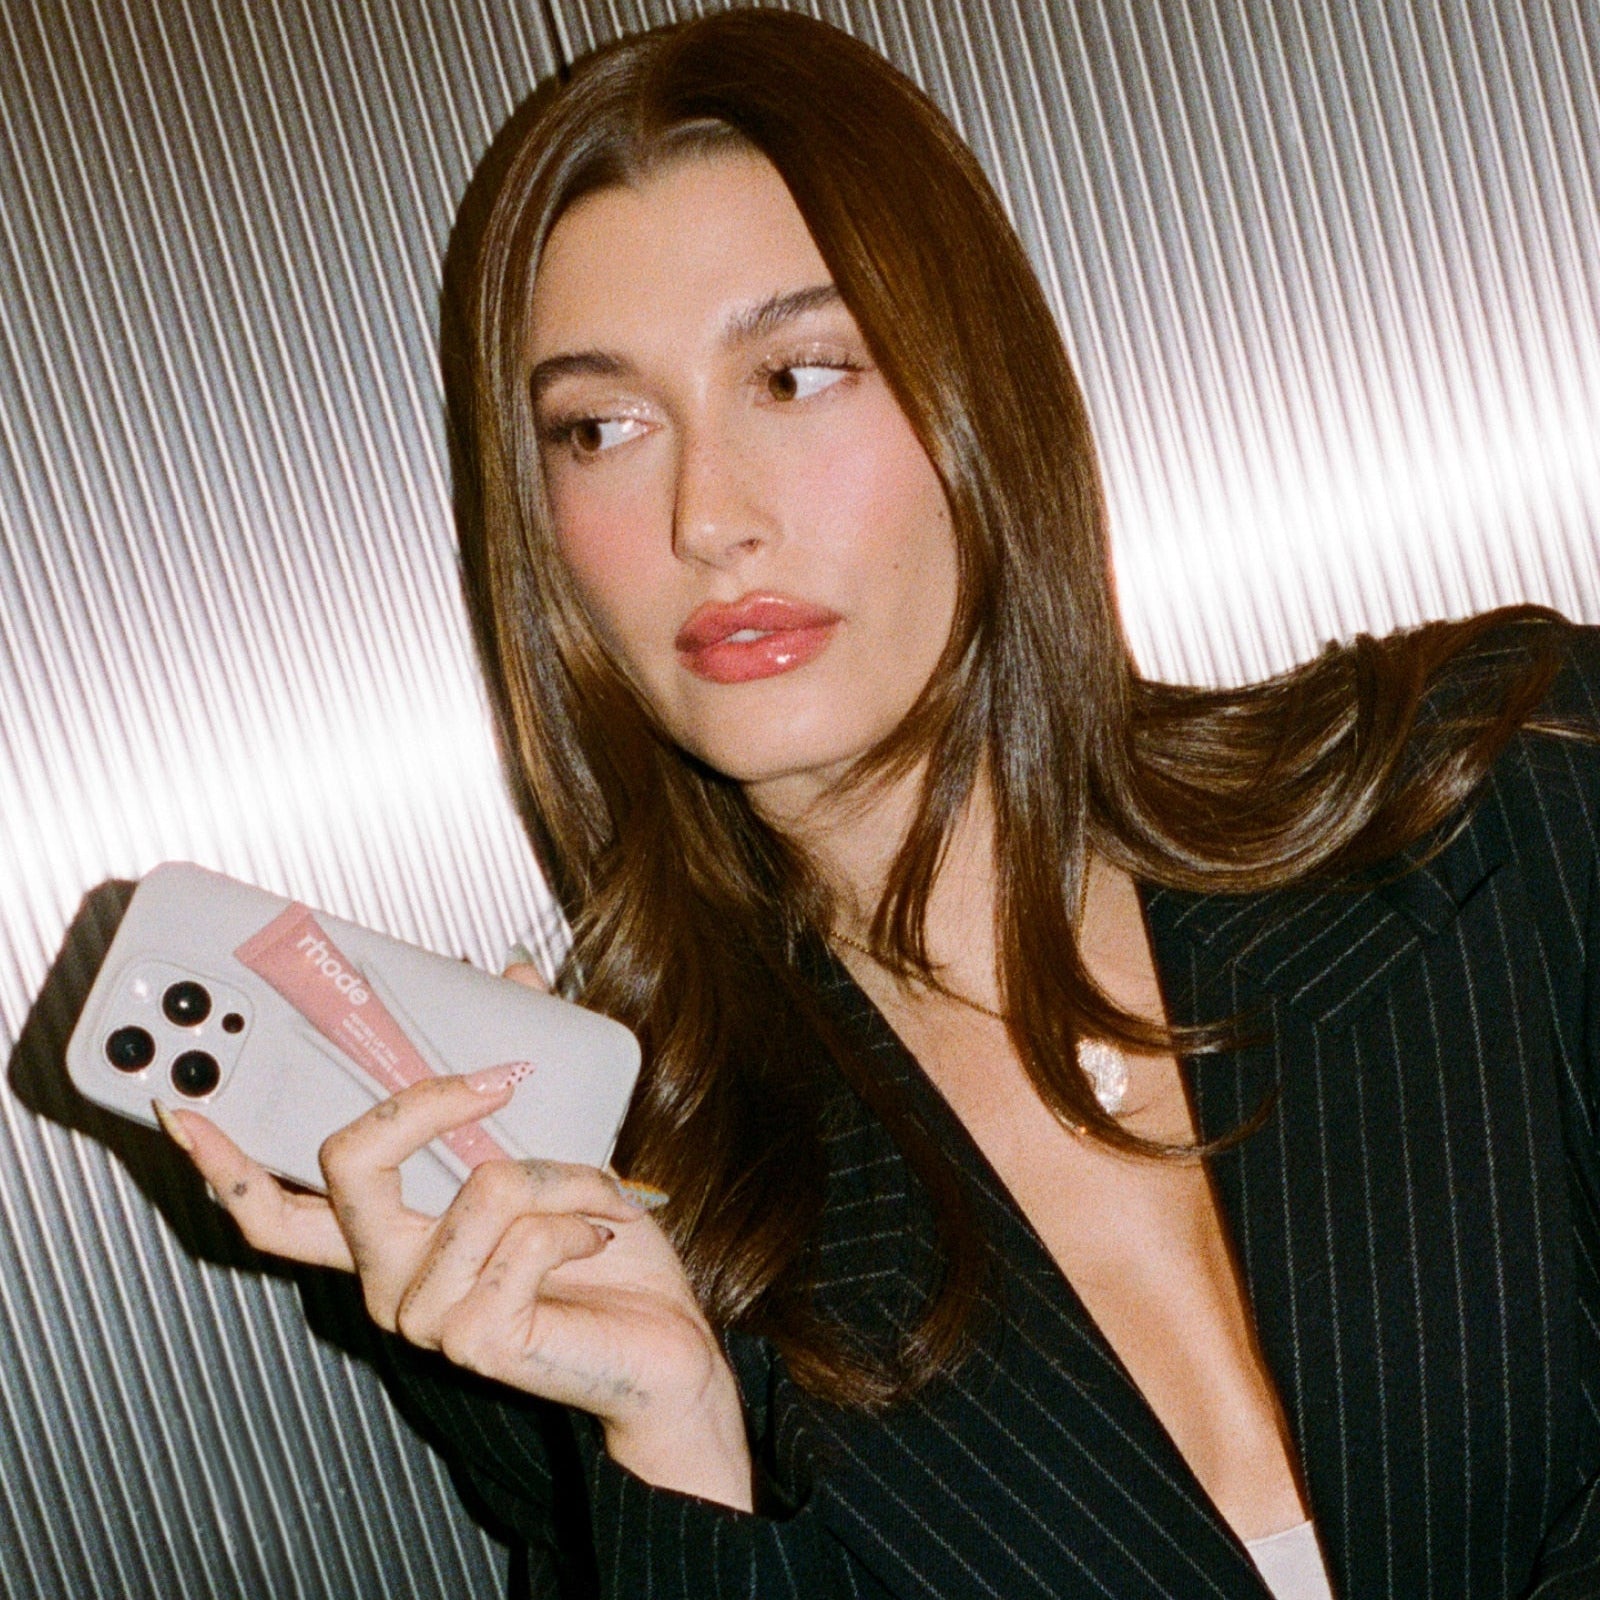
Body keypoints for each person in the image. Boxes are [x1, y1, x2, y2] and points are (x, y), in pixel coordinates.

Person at [160, 10, 1600, 1598]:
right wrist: (678, 1446)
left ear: (979, 392)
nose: (709, 517)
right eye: (602, 428)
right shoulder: (585, 1231)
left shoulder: (1506, 786)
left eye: (797, 374)